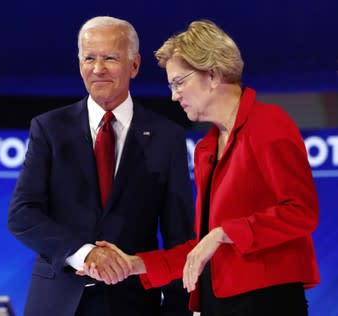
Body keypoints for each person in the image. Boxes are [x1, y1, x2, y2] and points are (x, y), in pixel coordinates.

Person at [80, 19, 320, 316]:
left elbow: (301, 212)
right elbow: (201, 249)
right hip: (216, 303)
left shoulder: (268, 124)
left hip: (266, 301)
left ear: (213, 74)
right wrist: (135, 264)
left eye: (179, 82)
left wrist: (222, 233)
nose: (173, 95)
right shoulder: (206, 149)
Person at [7, 16, 194, 316]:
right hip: (57, 302)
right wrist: (85, 254)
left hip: (133, 304)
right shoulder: (49, 128)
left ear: (134, 65)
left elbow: (179, 236)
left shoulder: (166, 136)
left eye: (110, 58)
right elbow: (22, 215)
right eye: (89, 58)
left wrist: (178, 310)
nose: (97, 69)